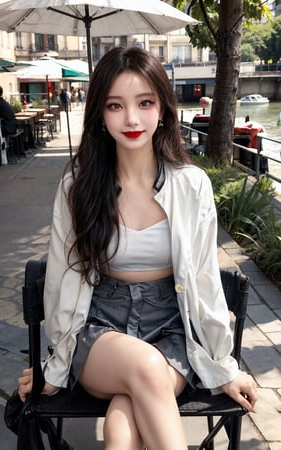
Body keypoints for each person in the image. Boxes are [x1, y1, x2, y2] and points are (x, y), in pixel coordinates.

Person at [18, 47, 257, 450]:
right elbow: (62, 277)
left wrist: (223, 365)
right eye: (115, 105)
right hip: (99, 326)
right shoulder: (78, 187)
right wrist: (54, 364)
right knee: (145, 369)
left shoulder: (191, 184)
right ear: (100, 114)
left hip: (174, 325)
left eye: (144, 103)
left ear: (162, 108)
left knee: (123, 423)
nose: (131, 119)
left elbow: (203, 279)